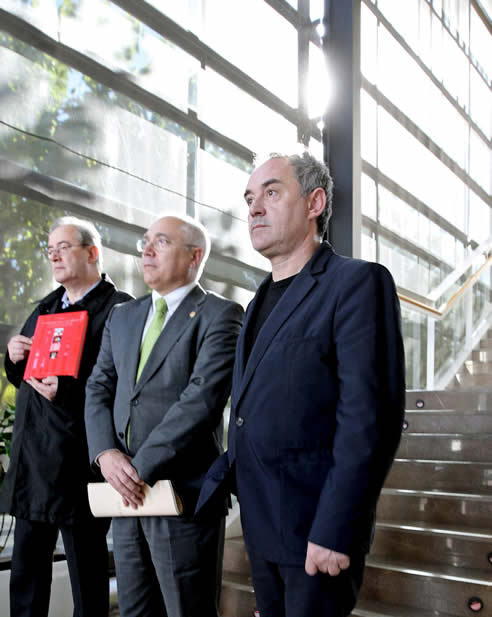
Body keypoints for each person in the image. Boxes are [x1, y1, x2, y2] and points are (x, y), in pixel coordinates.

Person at [197, 153, 405, 617]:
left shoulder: (356, 284)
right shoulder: (255, 304)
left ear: (315, 202)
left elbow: (369, 420)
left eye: (271, 193)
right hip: (262, 522)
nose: (253, 207)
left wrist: (336, 528)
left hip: (316, 530)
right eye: (250, 198)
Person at [84, 214, 244, 617]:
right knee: (134, 610)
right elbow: (98, 388)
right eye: (145, 241)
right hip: (125, 496)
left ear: (195, 256)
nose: (147, 250)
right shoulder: (123, 316)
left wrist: (137, 467)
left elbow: (201, 401)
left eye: (162, 242)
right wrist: (106, 454)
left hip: (182, 497)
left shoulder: (221, 315)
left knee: (186, 610)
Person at [0, 216, 133, 617]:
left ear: (92, 253)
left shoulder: (119, 308)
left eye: (63, 248)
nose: (54, 256)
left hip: (81, 460)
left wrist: (69, 391)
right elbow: (25, 377)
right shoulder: (47, 306)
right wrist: (13, 357)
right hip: (35, 460)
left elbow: (124, 383)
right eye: (50, 250)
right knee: (26, 573)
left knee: (88, 576)